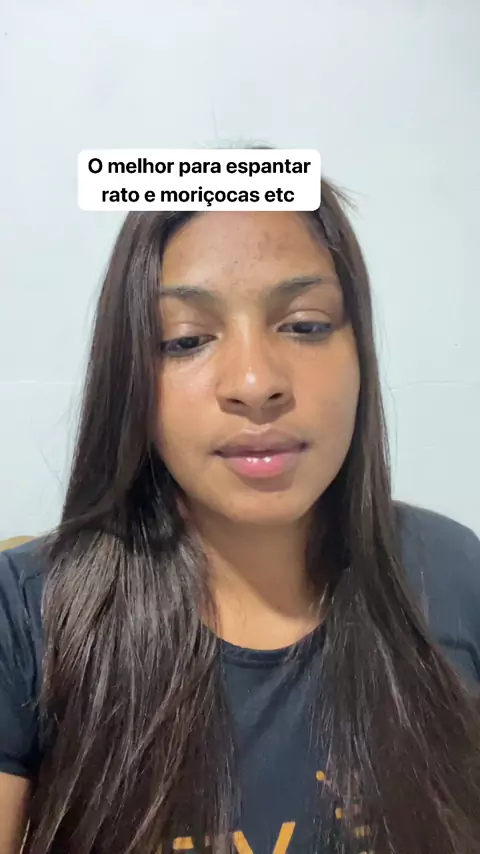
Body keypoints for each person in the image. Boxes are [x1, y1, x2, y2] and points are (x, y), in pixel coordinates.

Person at [1, 181, 480, 854]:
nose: (256, 384)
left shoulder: (452, 572)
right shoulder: (25, 613)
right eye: (187, 339)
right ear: (131, 377)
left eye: (305, 325)